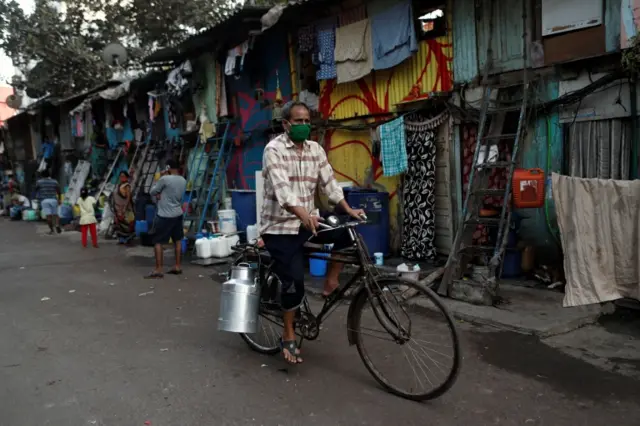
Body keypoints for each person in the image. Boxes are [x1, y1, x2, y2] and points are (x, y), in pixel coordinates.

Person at [260, 100, 365, 364]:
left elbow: (330, 183)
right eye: (298, 121)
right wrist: (304, 215)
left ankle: (331, 280)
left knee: (348, 234)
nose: (304, 126)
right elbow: (283, 192)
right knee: (294, 282)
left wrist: (347, 209)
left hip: (310, 221)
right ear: (286, 124)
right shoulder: (273, 150)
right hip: (280, 228)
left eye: (307, 121)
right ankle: (288, 334)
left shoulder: (315, 149)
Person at [145, 159, 186, 279]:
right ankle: (177, 266)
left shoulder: (164, 179)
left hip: (164, 215)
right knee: (177, 240)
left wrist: (160, 178)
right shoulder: (183, 180)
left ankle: (158, 269)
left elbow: (152, 191)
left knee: (158, 242)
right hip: (178, 214)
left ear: (168, 167)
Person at [111, 171, 135, 244]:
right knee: (119, 225)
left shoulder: (127, 186)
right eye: (121, 176)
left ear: (126, 177)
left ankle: (128, 239)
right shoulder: (119, 185)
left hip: (125, 209)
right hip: (118, 208)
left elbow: (128, 197)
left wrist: (125, 208)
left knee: (127, 225)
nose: (122, 177)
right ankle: (121, 239)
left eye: (124, 176)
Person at [36, 170, 61, 234]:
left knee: (48, 216)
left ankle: (52, 230)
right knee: (55, 214)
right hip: (54, 200)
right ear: (49, 175)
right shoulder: (55, 181)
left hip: (44, 200)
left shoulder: (39, 182)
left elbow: (36, 189)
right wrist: (59, 199)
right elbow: (58, 191)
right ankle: (57, 225)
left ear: (42, 175)